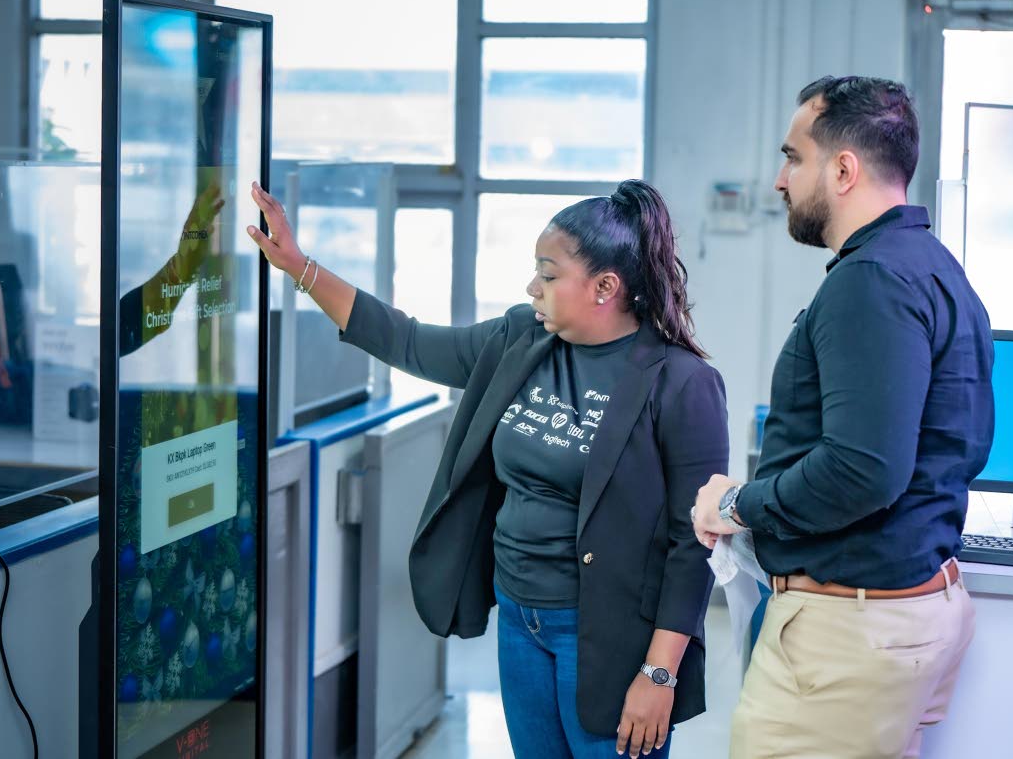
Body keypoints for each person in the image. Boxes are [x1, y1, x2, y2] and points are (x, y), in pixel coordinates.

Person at [248, 179, 728, 758]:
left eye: (549, 275)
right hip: (520, 620)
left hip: (611, 636)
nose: (534, 287)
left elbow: (693, 542)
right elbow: (406, 340)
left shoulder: (681, 383)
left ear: (605, 287)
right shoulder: (518, 340)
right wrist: (300, 267)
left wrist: (659, 674)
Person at [693, 75, 993, 759]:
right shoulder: (936, 267)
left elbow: (862, 470)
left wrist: (737, 504)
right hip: (907, 612)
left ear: (844, 168)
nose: (778, 180)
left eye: (793, 158)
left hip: (849, 638)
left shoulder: (872, 282)